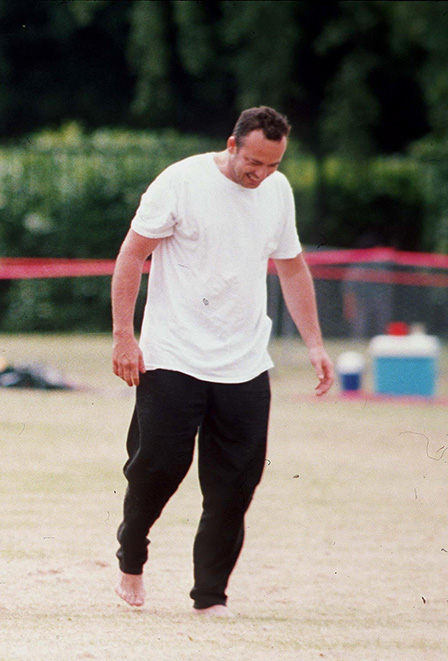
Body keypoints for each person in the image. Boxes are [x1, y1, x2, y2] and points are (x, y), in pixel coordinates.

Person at [110, 106, 335, 616]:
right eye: (253, 163)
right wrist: (125, 336)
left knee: (235, 486)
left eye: (272, 166)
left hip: (245, 362)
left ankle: (210, 596)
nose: (261, 175)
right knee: (159, 467)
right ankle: (132, 552)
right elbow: (131, 256)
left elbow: (293, 269)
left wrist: (316, 344)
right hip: (173, 354)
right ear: (232, 146)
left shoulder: (277, 192)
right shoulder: (180, 182)